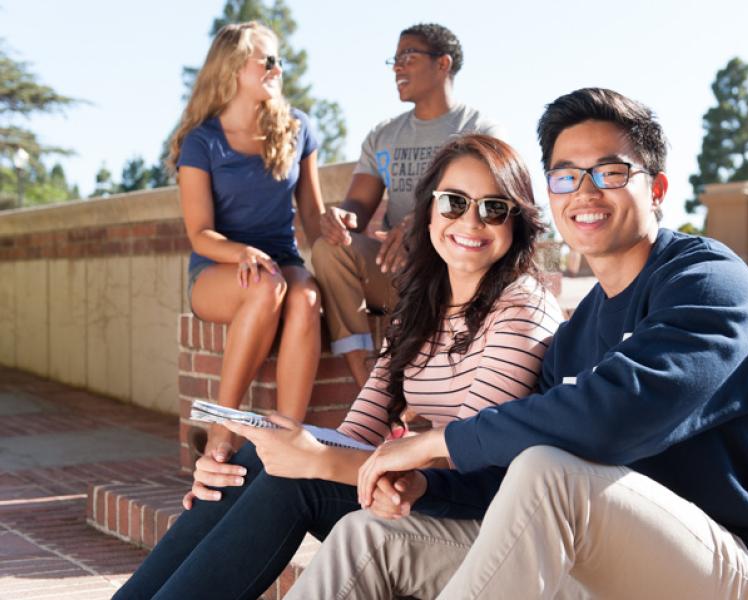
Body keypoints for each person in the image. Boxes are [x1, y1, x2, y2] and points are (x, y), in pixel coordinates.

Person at [295, 88, 748, 600]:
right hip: (601, 564)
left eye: (610, 173)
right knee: (369, 536)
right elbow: (504, 478)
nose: (584, 193)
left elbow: (614, 414)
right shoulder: (576, 335)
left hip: (739, 575)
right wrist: (428, 486)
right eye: (566, 176)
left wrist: (435, 443)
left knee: (550, 472)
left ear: (656, 189)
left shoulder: (710, 283)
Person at [112, 134, 563, 600]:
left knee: (297, 479)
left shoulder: (522, 308)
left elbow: (466, 452)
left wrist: (318, 459)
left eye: (493, 208)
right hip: (421, 489)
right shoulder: (424, 306)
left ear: (517, 223)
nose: (470, 220)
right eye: (453, 202)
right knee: (253, 460)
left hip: (482, 513)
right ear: (428, 212)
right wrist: (269, 460)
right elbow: (357, 431)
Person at [312, 23, 502, 389]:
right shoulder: (383, 135)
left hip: (456, 274)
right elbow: (358, 205)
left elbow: (490, 206)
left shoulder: (479, 129)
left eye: (408, 57)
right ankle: (368, 384)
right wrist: (341, 216)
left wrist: (423, 223)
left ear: (442, 64)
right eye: (394, 60)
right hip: (399, 270)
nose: (397, 68)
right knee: (330, 250)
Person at [170, 21, 325, 470]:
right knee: (265, 285)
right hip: (218, 268)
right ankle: (224, 424)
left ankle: (287, 440)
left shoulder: (299, 130)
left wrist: (340, 230)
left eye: (280, 59)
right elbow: (200, 232)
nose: (278, 68)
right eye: (268, 59)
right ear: (235, 66)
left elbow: (312, 219)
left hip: (281, 259)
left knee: (306, 295)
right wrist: (241, 253)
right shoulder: (202, 142)